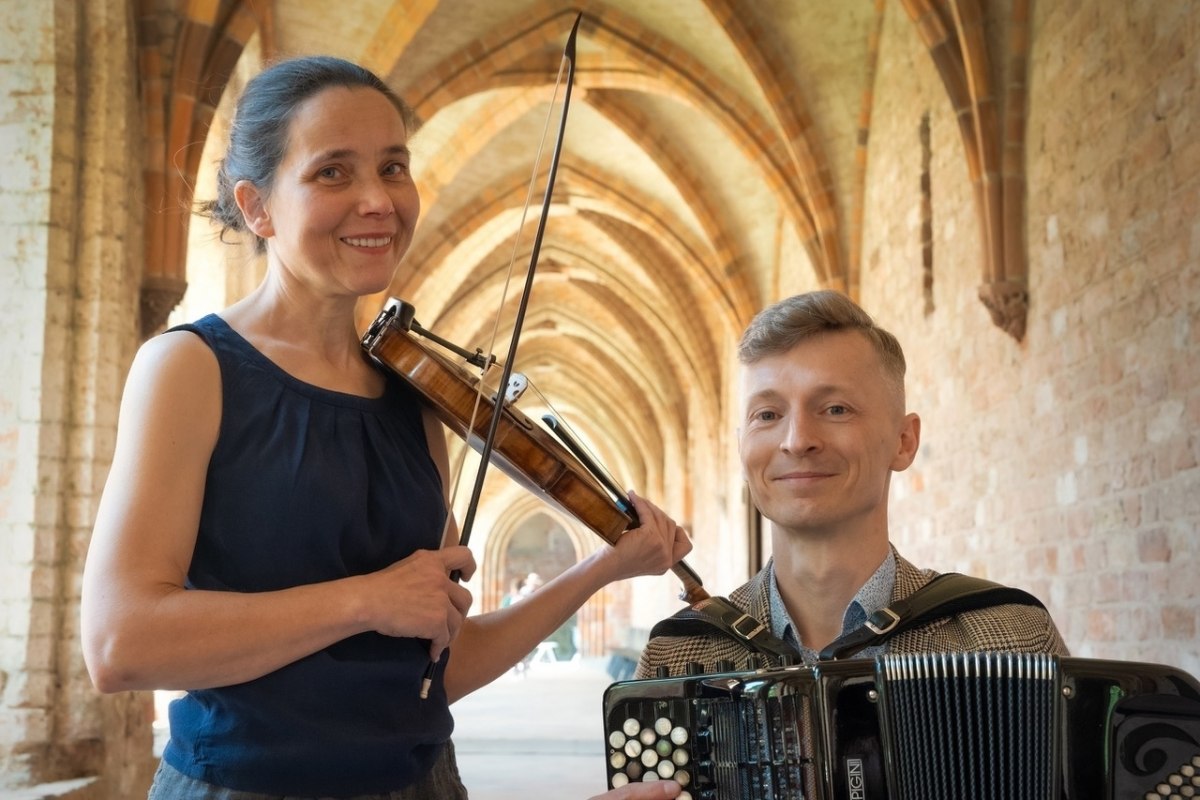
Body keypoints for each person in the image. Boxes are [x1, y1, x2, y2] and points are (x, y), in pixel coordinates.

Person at [79, 55, 691, 800]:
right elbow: (120, 645)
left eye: (393, 167)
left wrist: (601, 568)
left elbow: (437, 665)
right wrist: (365, 599)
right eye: (333, 172)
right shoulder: (190, 368)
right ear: (257, 206)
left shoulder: (417, 399)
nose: (378, 200)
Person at [637, 290, 1067, 679]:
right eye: (767, 415)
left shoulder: (1010, 640)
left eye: (836, 409)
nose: (797, 440)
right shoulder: (677, 657)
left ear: (904, 441)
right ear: (741, 449)